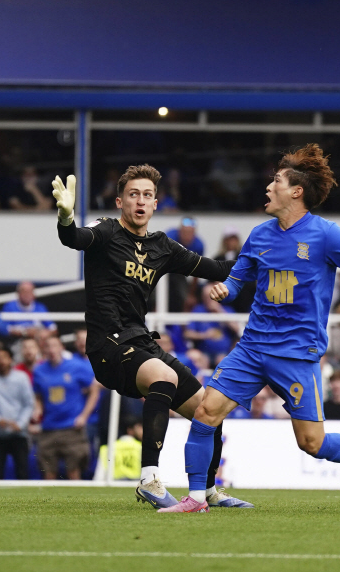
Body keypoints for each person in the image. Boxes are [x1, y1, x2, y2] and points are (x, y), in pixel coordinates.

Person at [171, 145, 340, 512]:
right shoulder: (259, 235)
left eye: (276, 181)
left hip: (296, 353)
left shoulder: (326, 235)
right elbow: (236, 281)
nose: (268, 187)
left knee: (311, 443)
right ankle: (197, 497)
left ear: (296, 191)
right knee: (206, 411)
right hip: (253, 347)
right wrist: (225, 289)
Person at [51, 165, 244, 509]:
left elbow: (214, 268)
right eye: (133, 195)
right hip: (106, 345)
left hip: (141, 342)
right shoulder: (107, 231)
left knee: (209, 410)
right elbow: (75, 238)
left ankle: (210, 489)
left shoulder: (162, 247)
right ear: (120, 201)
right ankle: (150, 479)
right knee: (165, 376)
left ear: (156, 204)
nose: (140, 201)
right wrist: (66, 218)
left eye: (147, 195)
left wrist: (263, 260)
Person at [32, 335, 99, 481]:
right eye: (48, 346)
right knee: (48, 473)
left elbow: (94, 389)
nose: (51, 350)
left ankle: (76, 503)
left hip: (72, 427)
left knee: (73, 472)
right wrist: (37, 409)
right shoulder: (39, 370)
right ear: (43, 349)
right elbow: (38, 395)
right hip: (48, 427)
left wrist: (84, 416)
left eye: (55, 346)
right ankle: (47, 503)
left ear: (62, 348)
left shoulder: (75, 366)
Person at [0, 346, 34, 479]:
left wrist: (20, 424)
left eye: (5, 357)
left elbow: (28, 404)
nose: (1, 361)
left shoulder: (21, 378)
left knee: (22, 473)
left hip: (19, 433)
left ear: (11, 359)